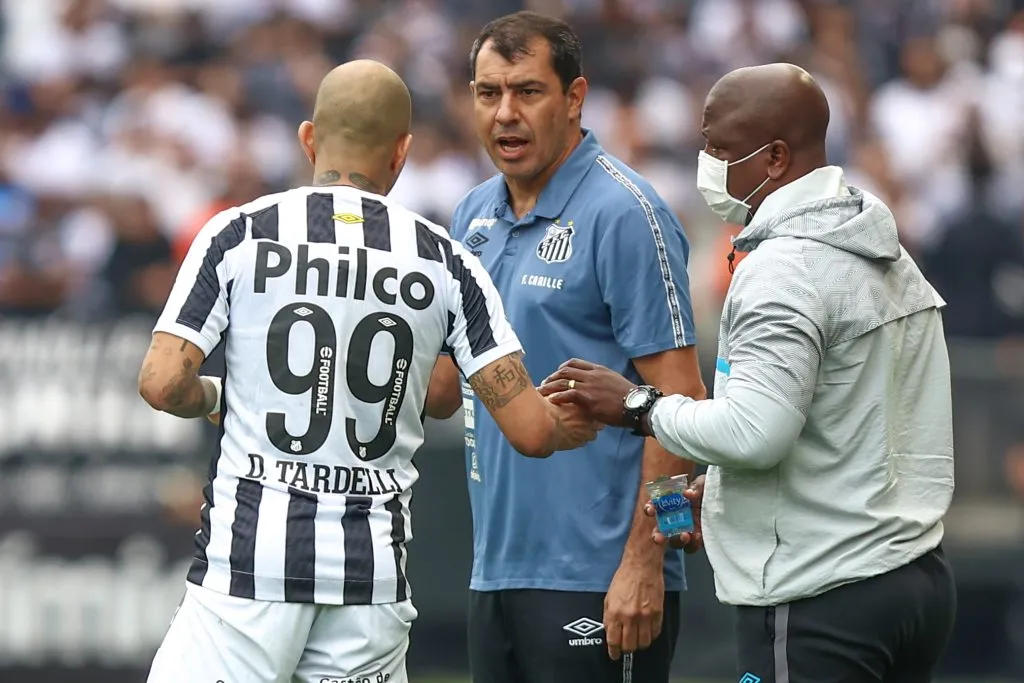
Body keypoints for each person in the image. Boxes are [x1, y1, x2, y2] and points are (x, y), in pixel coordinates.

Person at [137, 59, 599, 683]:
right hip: (370, 580)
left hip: (248, 572)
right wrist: (572, 427)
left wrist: (218, 397)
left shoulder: (240, 234)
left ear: (309, 139)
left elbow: (163, 382)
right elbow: (530, 430)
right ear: (401, 152)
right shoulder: (447, 262)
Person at [540, 63, 958, 683]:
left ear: (775, 158)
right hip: (914, 578)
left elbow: (757, 433)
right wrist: (726, 498)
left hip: (821, 595)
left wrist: (637, 406)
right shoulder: (886, 250)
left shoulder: (783, 268)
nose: (707, 162)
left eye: (719, 148)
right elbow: (845, 424)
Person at [426, 11, 706, 683]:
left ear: (574, 97)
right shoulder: (472, 215)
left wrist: (648, 559)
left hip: (602, 576)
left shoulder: (627, 213)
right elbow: (440, 391)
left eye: (527, 91)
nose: (505, 113)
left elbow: (686, 401)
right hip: (496, 572)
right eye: (488, 93)